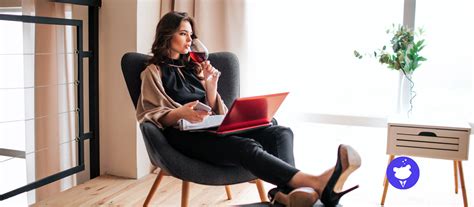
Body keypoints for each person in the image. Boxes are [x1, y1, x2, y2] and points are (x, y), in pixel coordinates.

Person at [136, 11, 361, 207]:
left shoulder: (193, 69)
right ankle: (313, 183)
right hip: (184, 136)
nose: (189, 40)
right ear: (167, 35)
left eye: (191, 35)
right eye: (183, 33)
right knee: (246, 146)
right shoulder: (153, 72)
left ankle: (288, 194)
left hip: (212, 128)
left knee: (281, 132)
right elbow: (149, 115)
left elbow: (215, 111)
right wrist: (180, 113)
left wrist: (211, 87)